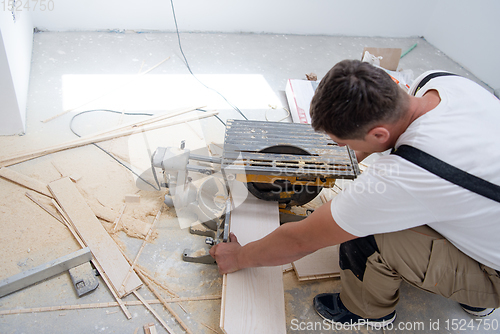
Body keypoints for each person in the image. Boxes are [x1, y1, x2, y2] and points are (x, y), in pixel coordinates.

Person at [209, 59, 500, 328]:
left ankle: (369, 310)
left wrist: (240, 257)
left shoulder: (411, 172)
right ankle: (471, 286)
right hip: (488, 219)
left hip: (495, 274)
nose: (339, 149)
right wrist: (338, 164)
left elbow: (302, 239)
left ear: (378, 135)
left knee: (365, 233)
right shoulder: (440, 82)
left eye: (340, 143)